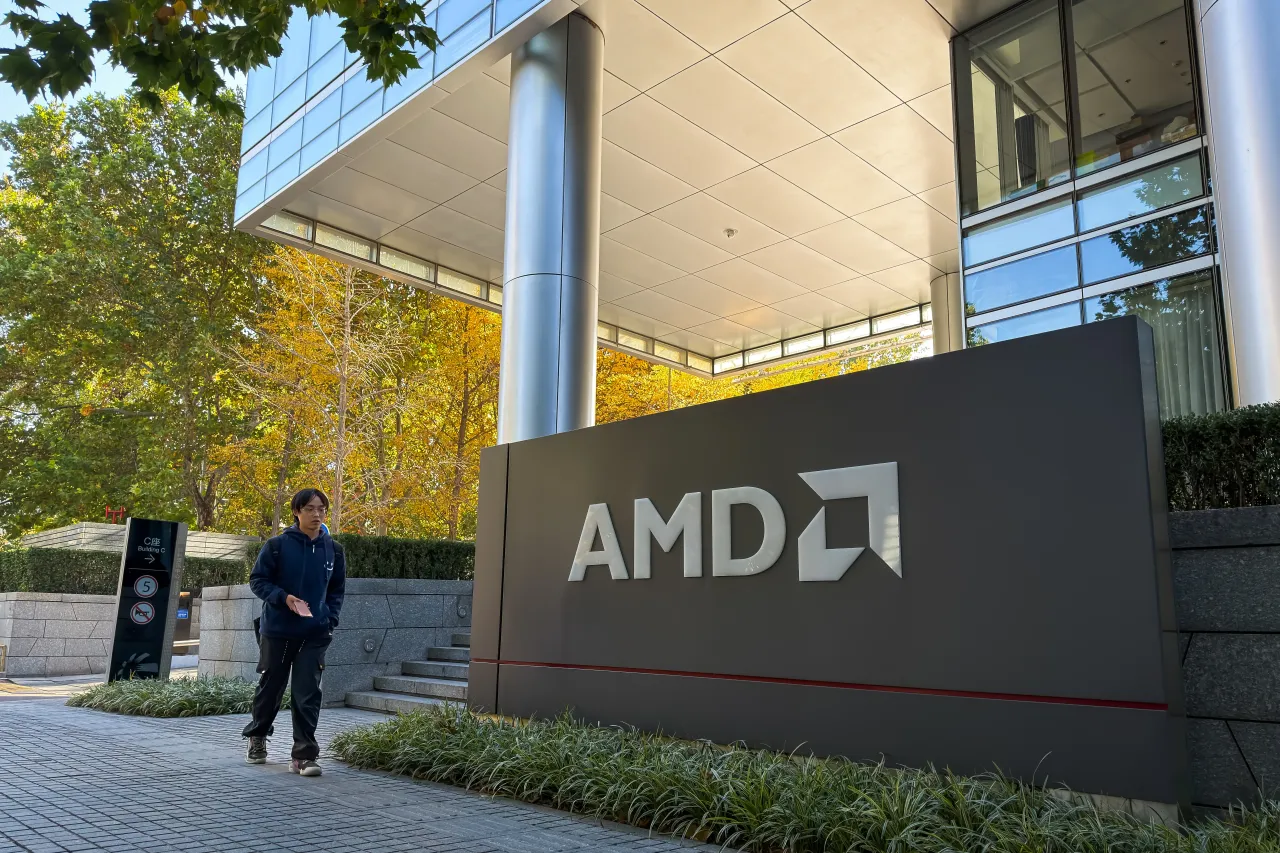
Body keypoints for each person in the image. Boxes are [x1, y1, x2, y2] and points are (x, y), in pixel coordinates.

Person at [242, 488, 346, 776]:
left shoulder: (334, 550)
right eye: (310, 509)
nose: (317, 514)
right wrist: (283, 597)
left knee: (307, 691)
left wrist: (330, 619)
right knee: (271, 687)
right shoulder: (276, 546)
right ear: (297, 512)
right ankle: (258, 736)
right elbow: (258, 581)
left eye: (321, 509)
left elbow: (336, 590)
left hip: (315, 632)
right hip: (277, 630)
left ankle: (304, 755)